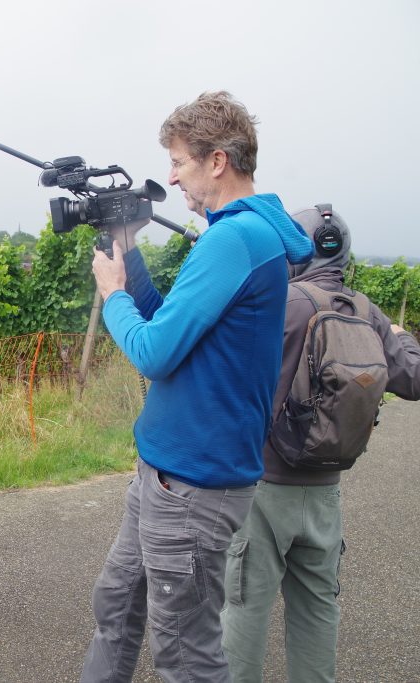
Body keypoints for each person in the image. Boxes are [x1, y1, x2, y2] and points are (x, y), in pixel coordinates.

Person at [79, 91, 314, 682]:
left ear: (217, 162)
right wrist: (129, 260)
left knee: (185, 653)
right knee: (117, 602)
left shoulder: (235, 240)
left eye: (180, 161)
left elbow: (153, 352)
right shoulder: (241, 236)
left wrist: (112, 294)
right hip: (166, 472)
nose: (171, 176)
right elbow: (174, 330)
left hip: (191, 485)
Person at [220, 206, 420, 682]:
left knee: (245, 610)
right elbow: (413, 378)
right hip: (326, 492)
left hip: (263, 489)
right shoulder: (366, 312)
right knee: (317, 613)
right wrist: (399, 334)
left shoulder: (279, 303)